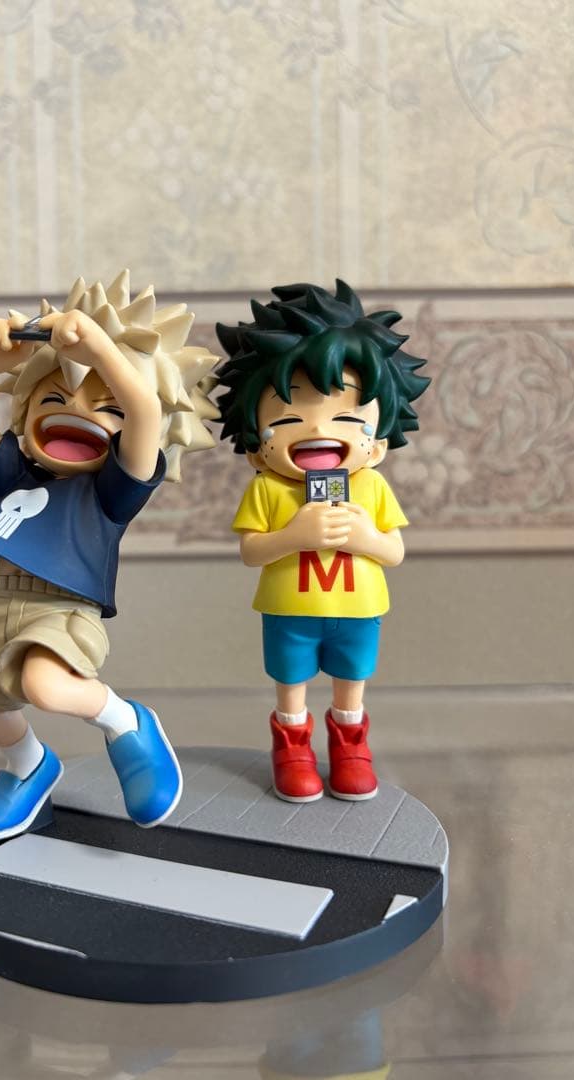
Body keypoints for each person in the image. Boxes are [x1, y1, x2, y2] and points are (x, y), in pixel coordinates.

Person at [0, 270, 218, 840]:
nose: (75, 412)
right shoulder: (17, 476)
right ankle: (29, 766)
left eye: (105, 405)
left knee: (46, 685)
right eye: (55, 397)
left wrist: (100, 351)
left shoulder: (110, 492)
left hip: (62, 607)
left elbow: (145, 412)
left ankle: (126, 723)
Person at [215, 279, 429, 803]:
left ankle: (351, 746)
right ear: (256, 447)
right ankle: (292, 747)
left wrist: (365, 537)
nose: (316, 430)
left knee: (351, 680)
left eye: (347, 418)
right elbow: (251, 551)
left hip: (358, 609)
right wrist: (294, 535)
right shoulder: (267, 488)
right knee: (291, 681)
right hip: (289, 610)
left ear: (377, 445)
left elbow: (394, 551)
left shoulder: (371, 486)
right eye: (288, 419)